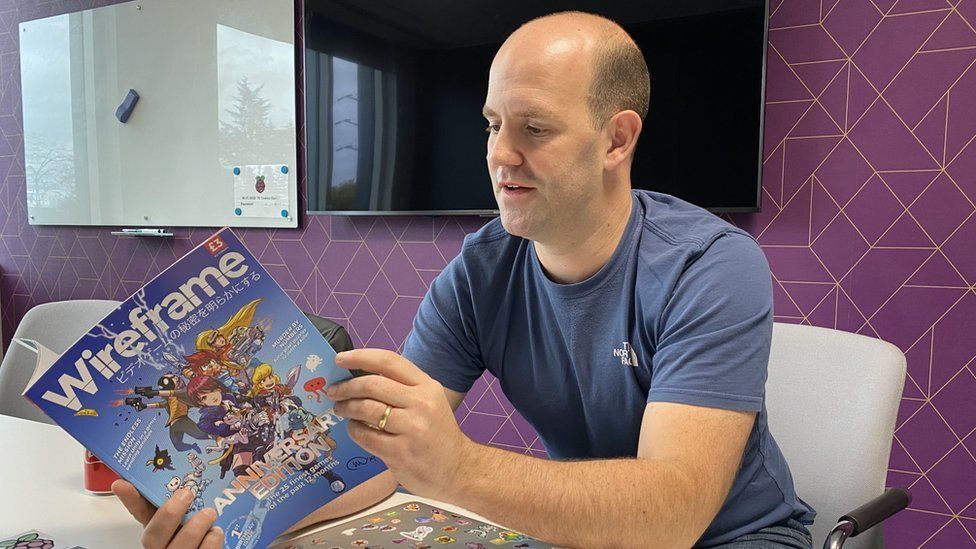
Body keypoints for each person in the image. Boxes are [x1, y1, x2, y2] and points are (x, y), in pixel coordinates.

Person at [114, 10, 815, 548]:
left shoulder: (711, 267)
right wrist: (227, 512)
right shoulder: (480, 272)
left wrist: (458, 468)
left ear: (617, 139)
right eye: (491, 123)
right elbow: (382, 459)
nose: (499, 154)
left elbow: (673, 512)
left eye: (534, 128)